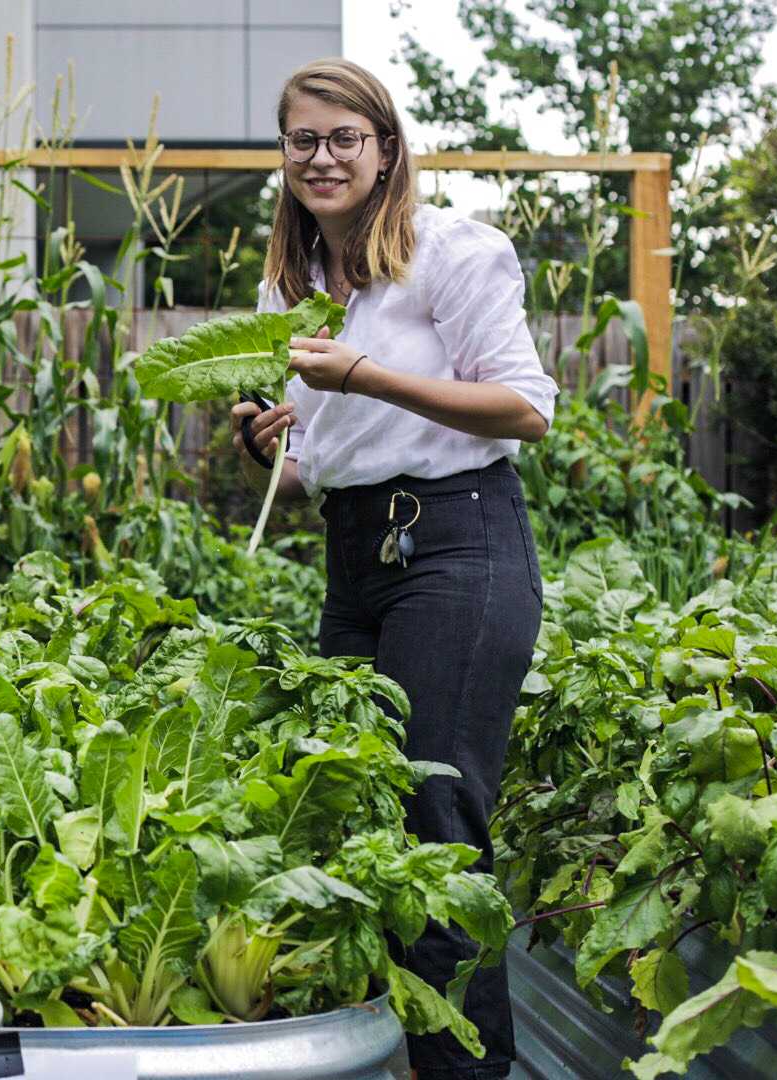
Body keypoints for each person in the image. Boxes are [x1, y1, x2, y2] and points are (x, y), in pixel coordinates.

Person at [231, 58, 556, 1080]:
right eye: (302, 141)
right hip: (358, 554)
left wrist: (366, 373)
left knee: (435, 813)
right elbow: (333, 454)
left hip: (460, 545)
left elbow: (526, 410)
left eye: (343, 139)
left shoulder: (454, 252)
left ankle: (470, 1068)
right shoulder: (292, 287)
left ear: (385, 149)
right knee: (359, 812)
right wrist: (272, 441)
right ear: (283, 156)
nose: (322, 158)